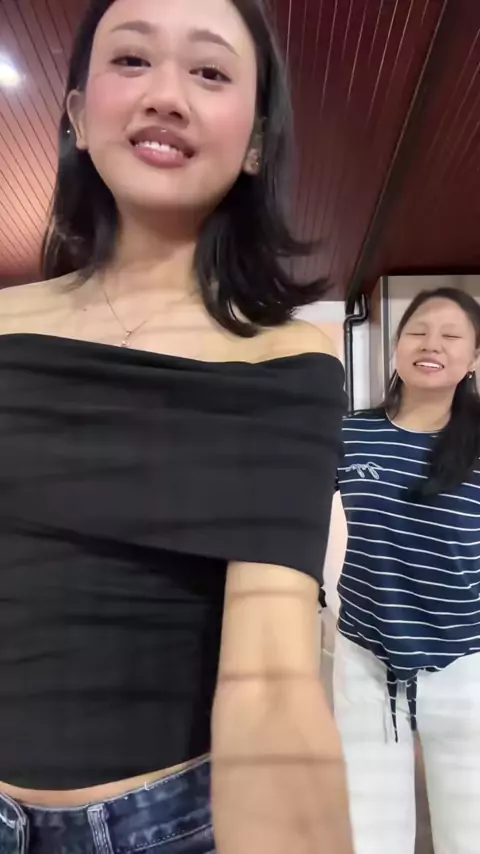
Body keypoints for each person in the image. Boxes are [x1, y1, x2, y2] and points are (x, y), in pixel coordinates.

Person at [0, 1, 353, 852]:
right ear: (78, 114)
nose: (165, 94)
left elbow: (270, 685)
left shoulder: (285, 360)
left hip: (159, 829)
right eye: (131, 61)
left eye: (209, 71)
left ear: (257, 141)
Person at [334, 286, 480, 854]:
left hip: (466, 661)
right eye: (418, 331)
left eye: (451, 336)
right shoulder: (351, 434)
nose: (431, 344)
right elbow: (288, 513)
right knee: (369, 834)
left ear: (473, 359)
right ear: (397, 346)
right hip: (366, 657)